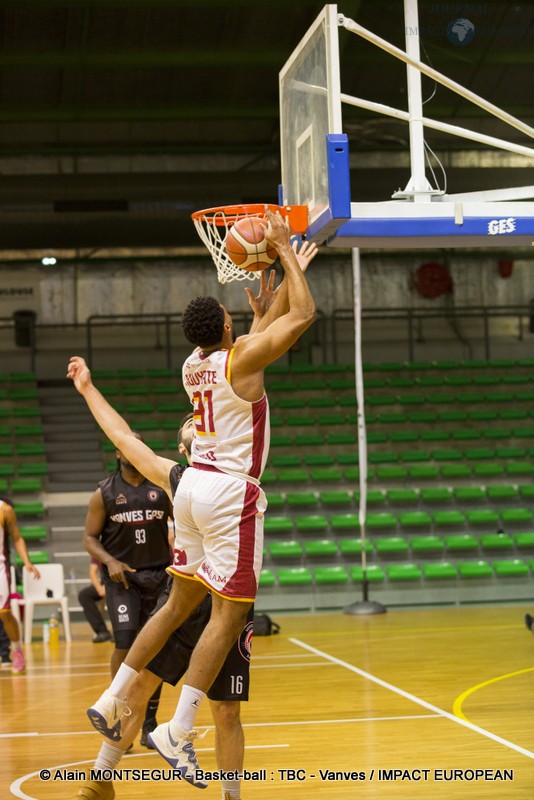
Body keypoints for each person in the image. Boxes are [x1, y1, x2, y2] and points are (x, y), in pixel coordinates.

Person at [67, 209, 317, 786]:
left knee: (178, 607)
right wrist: (281, 250)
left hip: (189, 486)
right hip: (232, 494)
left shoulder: (194, 365)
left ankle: (112, 700)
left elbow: (250, 345)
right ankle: (177, 728)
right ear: (227, 330)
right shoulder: (239, 361)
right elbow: (303, 315)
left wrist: (262, 312)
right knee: (228, 618)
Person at [71, 415, 252, 800]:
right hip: (187, 596)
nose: (196, 420)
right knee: (142, 684)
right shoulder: (176, 479)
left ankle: (232, 795)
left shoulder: (233, 470)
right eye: (189, 422)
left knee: (227, 710)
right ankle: (100, 779)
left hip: (228, 600)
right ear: (186, 449)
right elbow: (122, 435)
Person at [83, 438, 173, 747]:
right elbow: (89, 537)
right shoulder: (104, 492)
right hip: (122, 580)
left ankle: (148, 722)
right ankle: (116, 714)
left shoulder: (162, 489)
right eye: (126, 446)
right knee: (124, 643)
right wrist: (109, 561)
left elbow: (187, 525)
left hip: (160, 575)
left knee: (155, 650)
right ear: (118, 453)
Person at [0, 496, 41, 673]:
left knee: (5, 613)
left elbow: (17, 538)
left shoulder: (5, 510)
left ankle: (16, 650)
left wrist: (27, 561)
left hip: (0, 567)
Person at [78, 558, 113, 643]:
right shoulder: (96, 551)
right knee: (84, 595)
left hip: (119, 582)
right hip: (104, 583)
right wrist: (99, 588)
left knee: (114, 594)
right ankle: (102, 631)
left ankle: (120, 631)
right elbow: (92, 572)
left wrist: (109, 585)